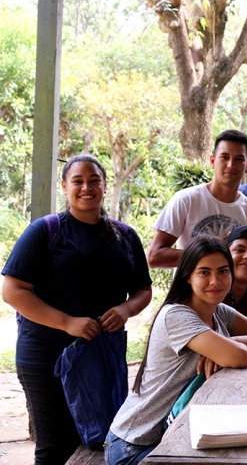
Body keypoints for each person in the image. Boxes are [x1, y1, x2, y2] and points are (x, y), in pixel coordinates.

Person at [1, 154, 153, 464]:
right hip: (46, 357)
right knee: (55, 446)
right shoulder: (45, 231)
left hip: (101, 357)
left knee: (98, 441)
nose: (87, 187)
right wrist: (67, 322)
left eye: (94, 180)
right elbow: (12, 290)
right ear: (64, 187)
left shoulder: (125, 236)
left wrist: (125, 309)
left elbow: (144, 290)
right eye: (78, 181)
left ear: (105, 185)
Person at [106, 236, 247, 465]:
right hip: (134, 446)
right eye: (204, 272)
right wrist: (225, 346)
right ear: (187, 277)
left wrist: (223, 342)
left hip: (175, 436)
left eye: (223, 271)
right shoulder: (176, 315)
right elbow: (239, 356)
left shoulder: (219, 312)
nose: (216, 281)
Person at [148, 130, 247, 268]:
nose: (231, 165)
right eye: (224, 157)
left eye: (239, 159)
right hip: (188, 290)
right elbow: (154, 257)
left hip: (234, 290)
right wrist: (211, 251)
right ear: (212, 161)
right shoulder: (186, 200)